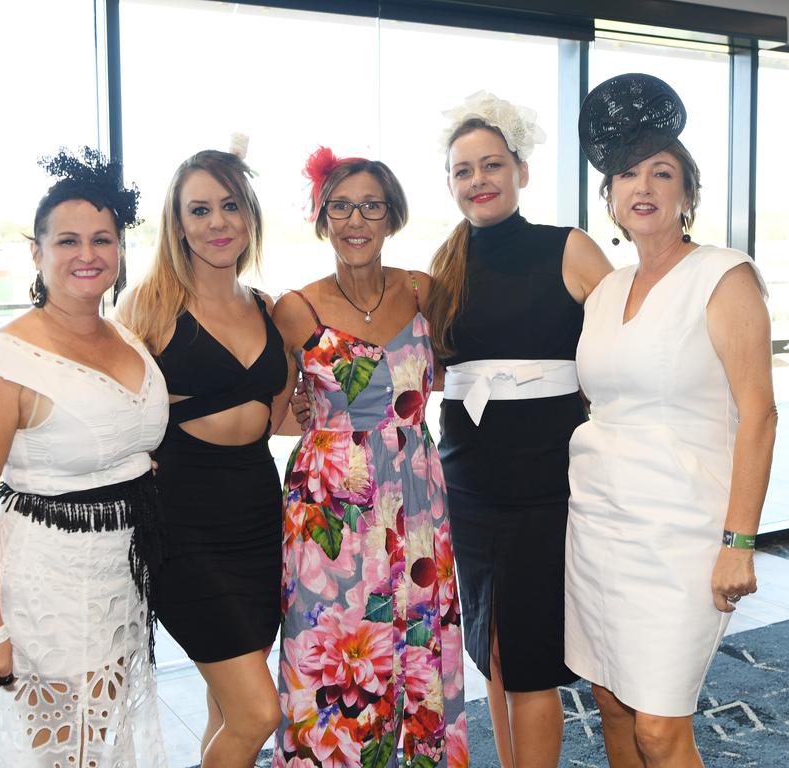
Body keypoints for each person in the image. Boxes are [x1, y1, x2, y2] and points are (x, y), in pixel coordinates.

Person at [566, 73, 776, 767]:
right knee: (613, 705)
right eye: (629, 174)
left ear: (687, 194)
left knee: (659, 726)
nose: (644, 185)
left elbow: (759, 415)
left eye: (664, 172)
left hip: (683, 531)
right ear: (611, 197)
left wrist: (738, 540)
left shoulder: (723, 275)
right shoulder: (605, 290)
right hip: (598, 523)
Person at [0, 147, 167, 766]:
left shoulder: (124, 334)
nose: (87, 254)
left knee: (105, 736)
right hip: (45, 587)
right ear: (36, 253)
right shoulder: (1, 363)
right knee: (61, 752)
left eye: (102, 239)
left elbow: (126, 437)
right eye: (67, 240)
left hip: (120, 577)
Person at [426, 91, 613, 768]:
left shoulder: (569, 248)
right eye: (463, 170)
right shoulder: (442, 267)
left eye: (491, 165)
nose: (478, 180)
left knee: (532, 656)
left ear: (521, 171)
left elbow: (626, 347)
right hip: (469, 482)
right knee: (491, 646)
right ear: (450, 184)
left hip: (548, 484)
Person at [271, 147, 468, 767]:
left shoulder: (423, 291)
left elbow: (440, 377)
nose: (356, 220)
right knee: (335, 643)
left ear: (392, 217)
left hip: (415, 491)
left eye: (371, 206)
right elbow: (278, 411)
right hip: (331, 502)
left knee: (414, 637)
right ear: (322, 216)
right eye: (342, 206)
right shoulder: (294, 307)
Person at [117, 146, 292, 768]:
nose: (217, 222)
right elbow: (105, 406)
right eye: (200, 209)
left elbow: (280, 410)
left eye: (230, 206)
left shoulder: (266, 307)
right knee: (258, 712)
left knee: (227, 706)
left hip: (257, 513)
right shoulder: (148, 307)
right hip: (183, 525)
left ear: (249, 217)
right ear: (178, 222)